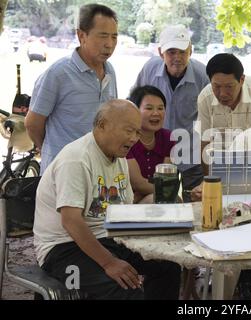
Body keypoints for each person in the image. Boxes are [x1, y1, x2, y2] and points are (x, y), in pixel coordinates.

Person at [33, 99, 181, 300]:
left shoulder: (119, 157)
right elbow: (71, 221)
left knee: (167, 266)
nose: (134, 139)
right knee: (127, 289)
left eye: (137, 132)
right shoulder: (76, 159)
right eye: (128, 131)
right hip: (63, 249)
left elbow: (124, 208)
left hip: (108, 237)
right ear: (102, 125)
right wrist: (109, 263)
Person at [25, 4, 118, 173]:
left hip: (96, 170)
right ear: (81, 35)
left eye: (114, 37)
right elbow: (32, 124)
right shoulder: (58, 73)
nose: (109, 44)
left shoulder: (109, 70)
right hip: (62, 171)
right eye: (103, 36)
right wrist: (53, 151)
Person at [132, 25, 209, 202]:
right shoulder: (150, 69)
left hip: (191, 153)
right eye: (171, 52)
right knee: (158, 201)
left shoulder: (202, 75)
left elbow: (211, 115)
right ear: (160, 52)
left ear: (191, 51)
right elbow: (134, 103)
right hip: (156, 153)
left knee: (196, 202)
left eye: (182, 52)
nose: (177, 58)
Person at [196, 53, 251, 173]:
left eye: (229, 86)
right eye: (216, 86)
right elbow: (205, 142)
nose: (222, 93)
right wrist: (209, 180)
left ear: (242, 80)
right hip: (220, 165)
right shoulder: (205, 97)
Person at [126, 85, 176, 203]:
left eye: (160, 108)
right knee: (162, 199)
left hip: (155, 196)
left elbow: (166, 178)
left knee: (169, 200)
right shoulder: (128, 138)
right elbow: (137, 183)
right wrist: (163, 191)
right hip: (129, 200)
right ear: (135, 111)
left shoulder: (167, 137)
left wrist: (163, 191)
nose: (156, 113)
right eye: (149, 108)